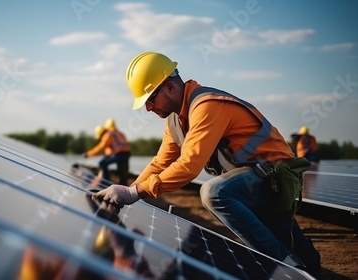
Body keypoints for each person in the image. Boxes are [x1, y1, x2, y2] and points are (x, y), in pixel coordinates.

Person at [93, 52, 321, 277]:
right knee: (296, 247)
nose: (148, 108)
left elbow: (189, 165)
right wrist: (126, 191)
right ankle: (305, 263)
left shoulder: (206, 106)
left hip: (275, 179)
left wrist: (135, 192)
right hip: (254, 180)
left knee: (214, 192)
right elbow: (161, 162)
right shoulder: (176, 120)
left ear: (170, 88)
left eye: (150, 99)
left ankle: (285, 268)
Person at [84, 120, 132, 185]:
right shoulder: (119, 133)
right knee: (122, 171)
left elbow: (101, 147)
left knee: (102, 163)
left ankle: (105, 182)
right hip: (127, 154)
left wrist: (88, 154)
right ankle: (124, 185)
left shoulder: (108, 135)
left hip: (119, 155)